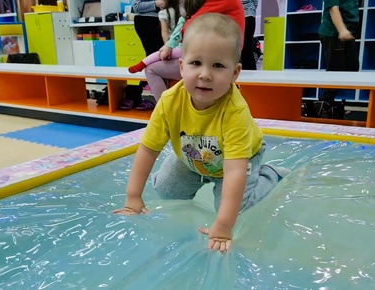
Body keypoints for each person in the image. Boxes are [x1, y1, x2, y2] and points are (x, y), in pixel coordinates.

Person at [113, 13, 290, 252]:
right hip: (194, 155)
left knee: (235, 208)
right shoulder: (169, 101)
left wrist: (224, 224)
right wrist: (133, 196)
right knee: (166, 189)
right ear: (181, 66)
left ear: (235, 73)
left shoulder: (234, 111)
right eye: (196, 63)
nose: (205, 74)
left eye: (217, 66)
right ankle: (194, 174)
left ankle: (269, 176)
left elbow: (235, 170)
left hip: (238, 160)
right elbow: (147, 150)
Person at [141, 0, 245, 102]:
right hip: (222, 55)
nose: (204, 75)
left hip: (220, 54)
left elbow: (190, 27)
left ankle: (163, 107)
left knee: (152, 69)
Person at [240, 0, 259, 70]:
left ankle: (250, 71)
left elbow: (255, 2)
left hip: (247, 15)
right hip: (245, 14)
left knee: (246, 46)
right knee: (245, 46)